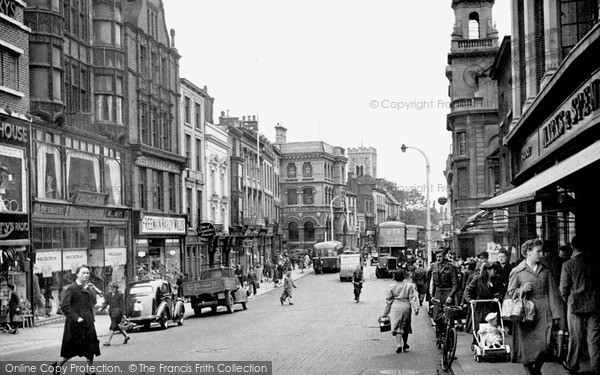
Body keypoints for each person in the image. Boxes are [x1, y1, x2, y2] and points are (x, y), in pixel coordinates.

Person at [507, 239, 562, 375]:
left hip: (544, 311)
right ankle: (530, 372)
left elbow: (552, 293)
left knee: (545, 345)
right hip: (525, 313)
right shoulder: (517, 271)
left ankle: (536, 370)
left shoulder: (545, 270)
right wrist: (522, 290)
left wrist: (556, 315)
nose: (541, 254)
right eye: (538, 251)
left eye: (541, 251)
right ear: (528, 252)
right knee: (526, 347)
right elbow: (510, 293)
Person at [559, 236, 600, 374]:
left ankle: (573, 366)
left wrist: (569, 300)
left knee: (575, 338)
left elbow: (563, 289)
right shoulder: (594, 264)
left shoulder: (568, 264)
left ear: (572, 247)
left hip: (575, 306)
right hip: (593, 305)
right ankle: (596, 366)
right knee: (593, 339)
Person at [52, 265, 101, 375]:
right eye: (83, 273)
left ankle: (89, 371)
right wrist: (76, 318)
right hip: (75, 324)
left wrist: (92, 291)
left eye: (87, 273)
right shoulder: (72, 288)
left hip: (88, 322)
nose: (85, 275)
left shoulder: (88, 288)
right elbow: (65, 306)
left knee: (90, 347)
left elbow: (93, 303)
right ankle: (58, 366)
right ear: (77, 274)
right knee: (72, 348)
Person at [382, 269, 420, 353]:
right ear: (403, 276)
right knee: (405, 325)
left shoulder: (391, 286)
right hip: (406, 306)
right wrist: (416, 308)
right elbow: (412, 298)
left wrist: (385, 312)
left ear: (394, 277)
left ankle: (399, 344)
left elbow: (388, 300)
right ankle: (405, 343)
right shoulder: (409, 285)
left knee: (397, 326)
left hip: (396, 307)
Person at [464, 262, 502, 336]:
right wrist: (470, 300)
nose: (495, 272)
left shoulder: (496, 279)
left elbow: (502, 291)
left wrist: (498, 298)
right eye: (493, 270)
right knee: (479, 328)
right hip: (479, 306)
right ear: (488, 270)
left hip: (491, 306)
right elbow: (467, 290)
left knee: (492, 327)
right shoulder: (478, 278)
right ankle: (476, 342)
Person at [430, 249, 459, 337]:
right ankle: (440, 330)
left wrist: (450, 296)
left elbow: (455, 284)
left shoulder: (450, 267)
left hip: (448, 292)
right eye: (437, 257)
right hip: (438, 293)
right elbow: (433, 284)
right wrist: (432, 296)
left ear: (444, 257)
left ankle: (449, 335)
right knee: (435, 317)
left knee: (449, 315)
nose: (438, 258)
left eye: (440, 256)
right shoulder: (434, 267)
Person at [99, 282, 130, 346]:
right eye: (110, 287)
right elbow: (106, 302)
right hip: (112, 313)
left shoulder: (119, 295)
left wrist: (124, 314)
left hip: (118, 313)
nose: (111, 289)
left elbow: (122, 305)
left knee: (112, 327)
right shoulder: (108, 295)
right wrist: (102, 308)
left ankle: (108, 341)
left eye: (113, 287)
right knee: (118, 326)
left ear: (116, 288)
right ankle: (126, 336)